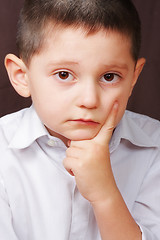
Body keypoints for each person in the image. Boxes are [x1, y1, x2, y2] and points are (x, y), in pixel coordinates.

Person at [1, 0, 160, 239]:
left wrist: (105, 196)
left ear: (133, 78)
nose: (89, 99)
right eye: (64, 74)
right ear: (22, 76)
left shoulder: (154, 147)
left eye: (109, 76)